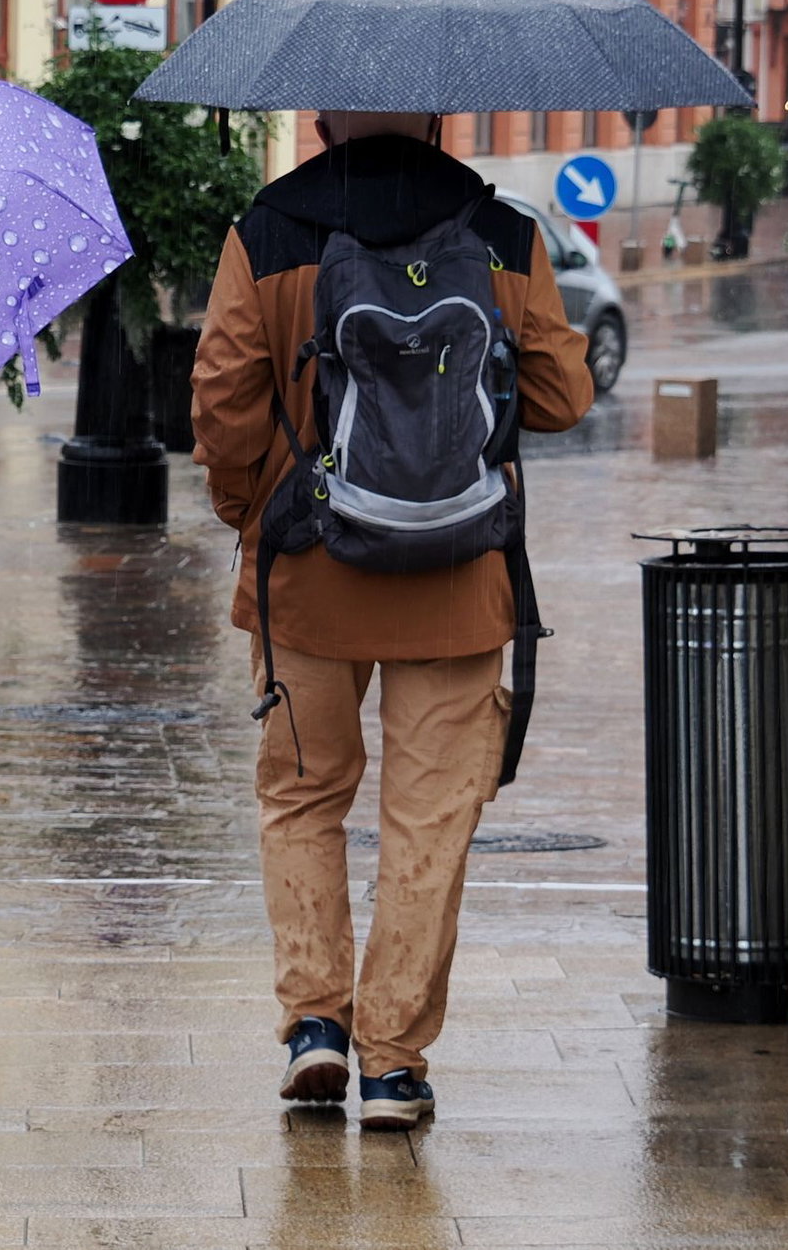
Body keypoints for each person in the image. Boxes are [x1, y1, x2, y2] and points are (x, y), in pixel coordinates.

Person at [191, 111, 593, 1130]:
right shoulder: (502, 234)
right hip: (459, 580)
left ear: (320, 120)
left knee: (302, 797)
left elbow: (223, 398)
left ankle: (315, 1023)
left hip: (306, 574)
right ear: (439, 118)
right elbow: (561, 395)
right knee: (431, 822)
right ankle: (394, 1063)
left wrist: (256, 514)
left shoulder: (268, 230)